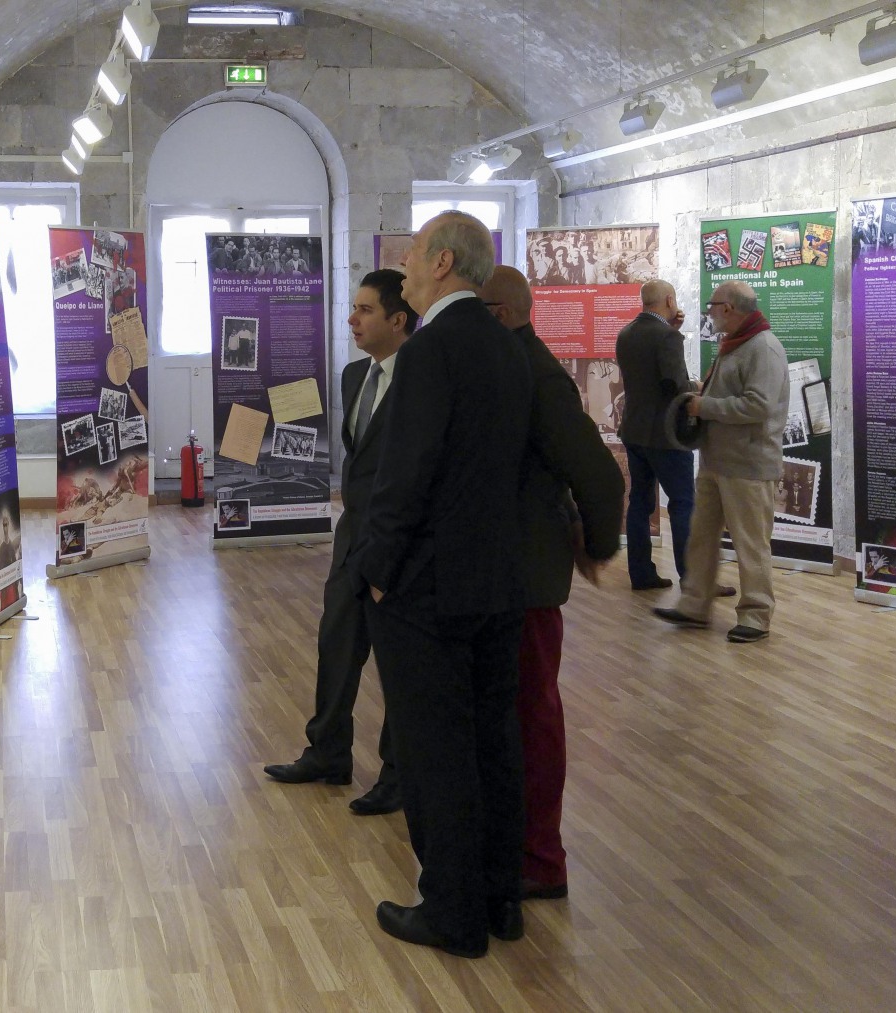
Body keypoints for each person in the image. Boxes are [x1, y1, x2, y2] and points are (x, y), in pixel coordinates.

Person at [353, 212, 533, 958]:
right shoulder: (509, 345)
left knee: (435, 752)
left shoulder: (430, 351)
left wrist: (377, 571)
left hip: (427, 586)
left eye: (414, 254)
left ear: (443, 264)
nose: (404, 266)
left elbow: (406, 475)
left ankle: (452, 912)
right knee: (494, 740)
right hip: (497, 578)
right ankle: (499, 898)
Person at [480, 266, 625, 901]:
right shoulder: (511, 367)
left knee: (532, 712)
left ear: (500, 313)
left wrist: (597, 545)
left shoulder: (536, 376)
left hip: (526, 576)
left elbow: (599, 475)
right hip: (507, 569)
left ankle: (540, 857)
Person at [263, 270, 417, 816]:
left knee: (398, 663)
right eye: (354, 308)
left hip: (398, 541)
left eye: (365, 310)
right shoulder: (355, 375)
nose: (352, 319)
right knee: (336, 645)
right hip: (352, 535)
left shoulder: (423, 377)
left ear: (398, 320)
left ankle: (399, 775)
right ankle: (327, 752)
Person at [655, 281, 789, 644]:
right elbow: (737, 394)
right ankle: (694, 605)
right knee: (701, 538)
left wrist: (705, 406)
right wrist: (706, 392)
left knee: (751, 545)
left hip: (748, 465)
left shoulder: (763, 348)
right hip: (717, 462)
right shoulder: (736, 344)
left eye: (711, 306)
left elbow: (759, 405)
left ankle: (756, 616)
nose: (709, 314)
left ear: (727, 308)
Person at [616, 280, 708, 593]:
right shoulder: (667, 336)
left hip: (634, 431)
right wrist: (698, 386)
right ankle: (692, 579)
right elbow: (675, 386)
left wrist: (672, 330)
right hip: (665, 436)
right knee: (683, 504)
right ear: (670, 300)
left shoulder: (626, 333)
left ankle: (641, 573)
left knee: (639, 503)